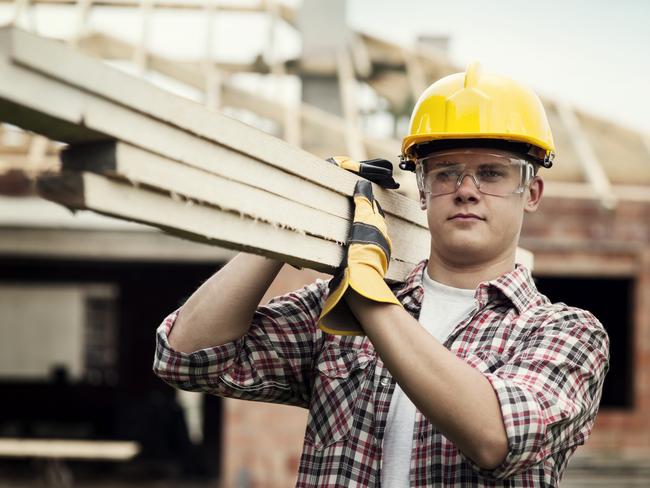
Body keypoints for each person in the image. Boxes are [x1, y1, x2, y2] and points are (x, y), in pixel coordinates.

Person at [153, 62, 609, 487]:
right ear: (423, 191)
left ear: (532, 192)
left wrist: (367, 297)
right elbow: (186, 357)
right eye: (446, 172)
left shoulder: (566, 333)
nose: (466, 190)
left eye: (492, 173)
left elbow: (497, 437)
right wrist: (292, 226)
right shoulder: (336, 304)